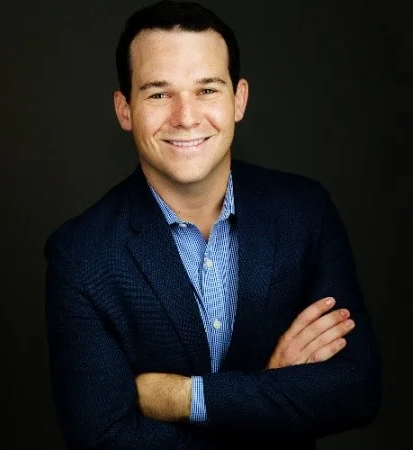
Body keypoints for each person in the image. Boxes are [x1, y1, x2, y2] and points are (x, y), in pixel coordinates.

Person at [44, 1, 382, 448]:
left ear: (238, 99)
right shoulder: (80, 256)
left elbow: (357, 389)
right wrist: (269, 396)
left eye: (206, 89)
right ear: (125, 109)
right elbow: (104, 439)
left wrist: (185, 397)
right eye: (158, 93)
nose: (186, 116)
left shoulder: (304, 211)